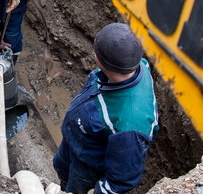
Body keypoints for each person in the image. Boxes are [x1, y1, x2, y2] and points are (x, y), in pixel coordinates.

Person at [53, 23, 159, 194]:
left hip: (88, 166)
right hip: (76, 139)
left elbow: (121, 180)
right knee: (60, 166)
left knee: (74, 188)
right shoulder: (134, 66)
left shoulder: (130, 125)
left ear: (103, 61)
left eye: (96, 51)